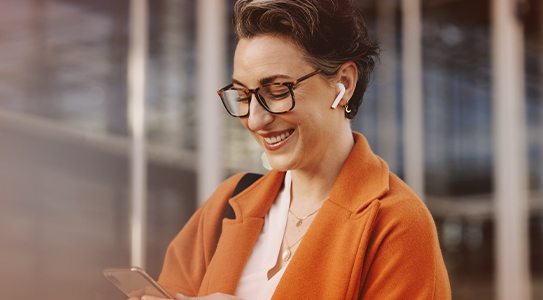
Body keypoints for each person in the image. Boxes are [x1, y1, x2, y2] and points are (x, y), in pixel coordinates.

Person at [144, 0, 451, 299]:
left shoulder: (397, 225)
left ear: (343, 83)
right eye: (242, 95)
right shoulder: (227, 202)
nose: (254, 119)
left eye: (277, 91)